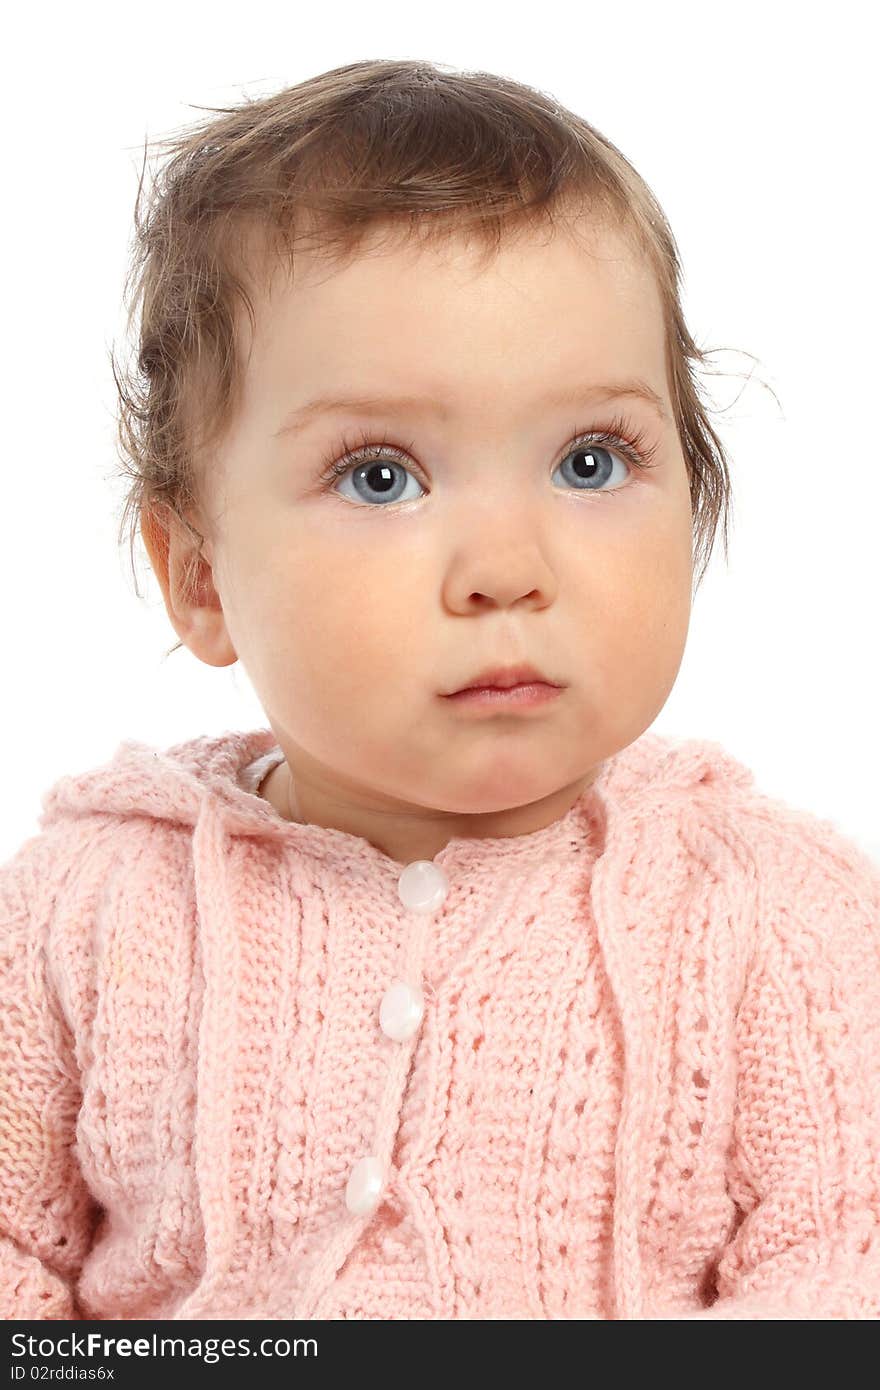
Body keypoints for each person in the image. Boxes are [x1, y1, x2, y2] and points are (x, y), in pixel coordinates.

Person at [2, 59, 879, 1322]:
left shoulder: (775, 919)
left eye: (590, 459)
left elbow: (840, 1269)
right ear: (198, 574)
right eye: (379, 476)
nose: (506, 570)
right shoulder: (77, 914)